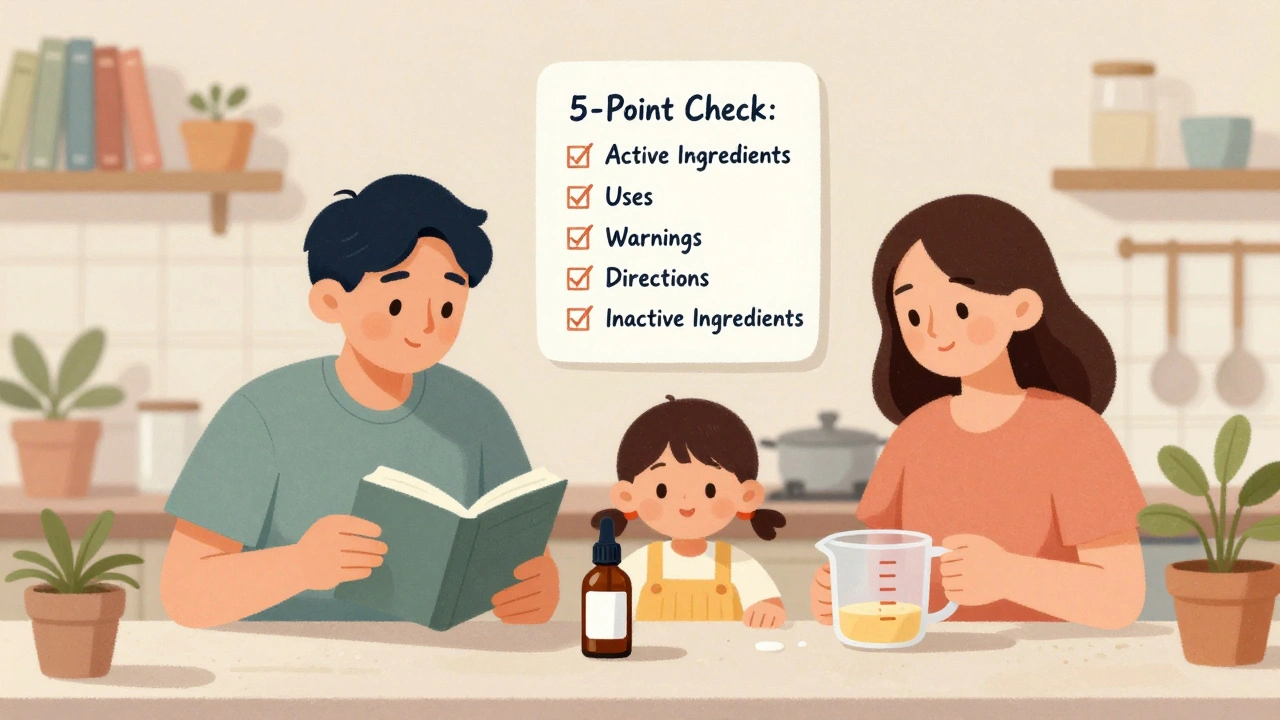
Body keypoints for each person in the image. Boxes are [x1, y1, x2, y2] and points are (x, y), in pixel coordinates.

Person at [160, 174, 559, 627]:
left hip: (437, 659)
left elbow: (526, 562)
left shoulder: (476, 412)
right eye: (397, 305)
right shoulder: (262, 413)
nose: (426, 325)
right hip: (285, 659)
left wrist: (536, 592)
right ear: (331, 300)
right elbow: (184, 593)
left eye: (447, 306)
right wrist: (300, 566)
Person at [810, 194, 1146, 628]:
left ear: (1022, 308)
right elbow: (884, 579)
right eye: (913, 316)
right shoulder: (914, 436)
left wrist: (1009, 575)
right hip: (930, 657)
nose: (935, 330)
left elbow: (1121, 598)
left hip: (1049, 662)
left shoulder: (1075, 432)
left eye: (960, 307)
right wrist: (843, 593)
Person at [593, 396, 788, 627]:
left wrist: (766, 611)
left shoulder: (737, 564)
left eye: (709, 490)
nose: (686, 501)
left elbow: (770, 604)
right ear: (627, 496)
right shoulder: (640, 565)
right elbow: (610, 611)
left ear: (747, 496)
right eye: (662, 490)